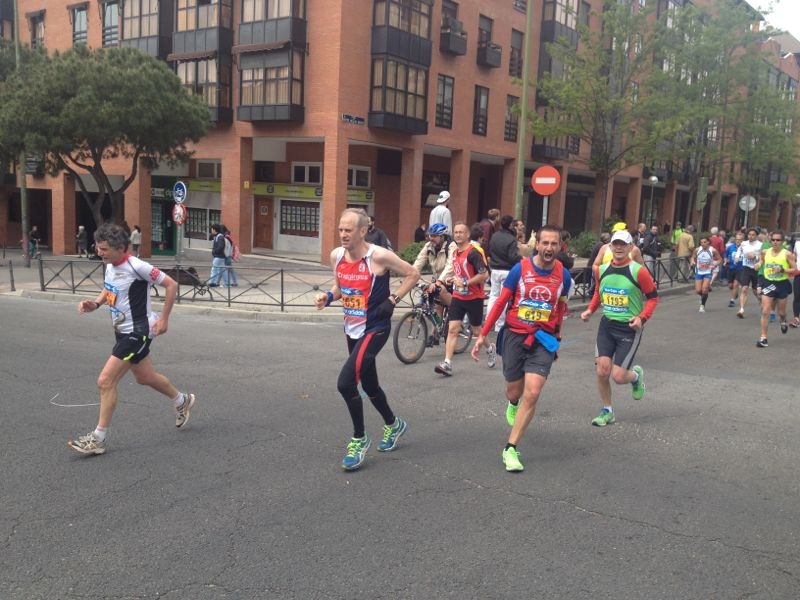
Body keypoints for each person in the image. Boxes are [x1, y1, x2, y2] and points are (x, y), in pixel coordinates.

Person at [67, 223, 196, 455]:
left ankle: (97, 438)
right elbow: (109, 289)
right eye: (98, 247)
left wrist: (164, 319)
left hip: (138, 333)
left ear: (121, 248)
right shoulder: (110, 265)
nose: (100, 252)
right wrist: (95, 304)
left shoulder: (137, 266)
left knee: (105, 381)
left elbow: (171, 284)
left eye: (105, 249)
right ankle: (182, 400)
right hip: (122, 332)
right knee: (145, 377)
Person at [314, 208, 420, 471]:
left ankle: (359, 439)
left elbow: (413, 274)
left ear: (362, 231)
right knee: (370, 385)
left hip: (375, 327)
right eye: (340, 229)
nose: (343, 234)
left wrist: (393, 299)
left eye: (348, 230)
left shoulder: (379, 256)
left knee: (345, 383)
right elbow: (341, 288)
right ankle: (394, 424)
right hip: (352, 329)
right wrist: (328, 296)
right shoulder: (337, 256)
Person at [470, 224, 574, 472]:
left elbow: (560, 308)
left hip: (543, 339)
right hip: (515, 336)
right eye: (545, 243)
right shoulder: (520, 269)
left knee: (533, 392)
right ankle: (513, 403)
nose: (549, 247)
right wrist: (483, 334)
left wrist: (557, 335)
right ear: (537, 244)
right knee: (513, 391)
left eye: (554, 244)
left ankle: (511, 448)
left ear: (560, 247)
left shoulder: (564, 276)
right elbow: (501, 303)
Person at [580, 229, 659, 427]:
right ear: (610, 246)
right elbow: (599, 293)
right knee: (602, 371)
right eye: (615, 244)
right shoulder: (602, 269)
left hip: (629, 327)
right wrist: (590, 310)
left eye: (623, 244)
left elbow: (653, 298)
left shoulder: (638, 271)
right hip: (607, 325)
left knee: (619, 376)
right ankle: (607, 410)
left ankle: (635, 377)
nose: (619, 248)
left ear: (631, 247)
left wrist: (642, 318)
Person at [435, 221, 489, 377]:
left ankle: (490, 348)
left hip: (474, 297)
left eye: (461, 232)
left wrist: (465, 283)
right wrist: (452, 279)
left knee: (477, 330)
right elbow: (459, 272)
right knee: (453, 329)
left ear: (467, 235)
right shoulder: (454, 252)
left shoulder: (473, 253)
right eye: (456, 232)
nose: (458, 235)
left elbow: (484, 274)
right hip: (458, 296)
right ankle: (447, 363)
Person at [754, 229, 796, 347]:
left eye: (778, 240)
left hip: (782, 284)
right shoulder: (765, 252)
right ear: (770, 241)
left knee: (781, 312)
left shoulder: (787, 254)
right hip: (768, 283)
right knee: (765, 311)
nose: (775, 242)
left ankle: (783, 321)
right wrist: (758, 264)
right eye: (773, 240)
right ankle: (763, 338)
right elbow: (761, 261)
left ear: (782, 241)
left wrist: (782, 270)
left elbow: (795, 269)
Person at [412, 223, 456, 324]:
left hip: (450, 279)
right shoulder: (428, 246)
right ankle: (437, 331)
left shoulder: (451, 246)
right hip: (436, 280)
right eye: (430, 235)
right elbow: (419, 262)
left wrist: (439, 281)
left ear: (442, 237)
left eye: (434, 236)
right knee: (436, 308)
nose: (431, 238)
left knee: (441, 291)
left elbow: (450, 266)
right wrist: (410, 275)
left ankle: (457, 312)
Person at [487, 215, 521, 334]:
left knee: (493, 296)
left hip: (494, 269)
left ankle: (489, 321)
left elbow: (490, 251)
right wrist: (521, 259)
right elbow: (512, 257)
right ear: (511, 225)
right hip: (507, 271)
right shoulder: (512, 239)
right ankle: (499, 324)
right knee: (503, 299)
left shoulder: (495, 236)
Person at [690, 236, 722, 313]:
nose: (703, 244)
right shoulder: (697, 250)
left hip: (708, 271)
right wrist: (692, 261)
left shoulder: (713, 250)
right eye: (701, 242)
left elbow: (720, 259)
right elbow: (693, 257)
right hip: (699, 271)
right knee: (698, 290)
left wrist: (715, 264)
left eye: (704, 242)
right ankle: (703, 296)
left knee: (704, 289)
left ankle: (702, 306)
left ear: (708, 242)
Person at [736, 227, 762, 318]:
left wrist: (755, 257)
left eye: (753, 235)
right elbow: (739, 250)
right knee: (744, 288)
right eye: (749, 235)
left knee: (756, 291)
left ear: (756, 236)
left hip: (756, 269)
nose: (751, 236)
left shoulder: (760, 245)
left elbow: (763, 256)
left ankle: (760, 301)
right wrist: (737, 257)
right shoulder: (744, 243)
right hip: (746, 268)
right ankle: (741, 309)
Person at [725, 231, 744, 308]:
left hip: (740, 269)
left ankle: (732, 300)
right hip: (731, 268)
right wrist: (725, 260)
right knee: (730, 286)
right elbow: (725, 255)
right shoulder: (730, 247)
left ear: (742, 240)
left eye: (740, 239)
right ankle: (735, 293)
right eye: (737, 239)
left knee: (736, 284)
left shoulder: (745, 248)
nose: (738, 241)